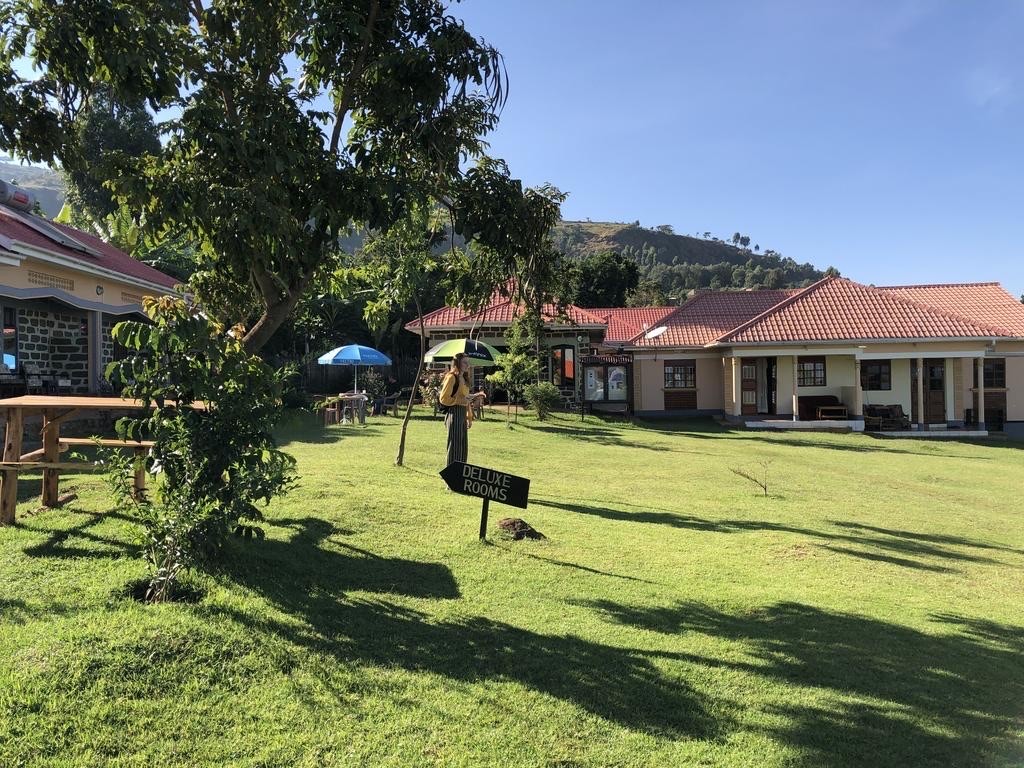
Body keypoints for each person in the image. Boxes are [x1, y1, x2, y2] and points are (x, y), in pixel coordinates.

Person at [438, 353, 485, 466]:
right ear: (457, 363)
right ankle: (451, 475)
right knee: (455, 448)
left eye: (468, 362)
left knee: (463, 448)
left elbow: (465, 399)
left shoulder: (464, 378)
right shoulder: (451, 377)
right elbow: (443, 398)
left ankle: (460, 474)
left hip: (462, 414)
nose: (467, 365)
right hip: (454, 414)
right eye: (464, 362)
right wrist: (459, 400)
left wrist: (469, 416)